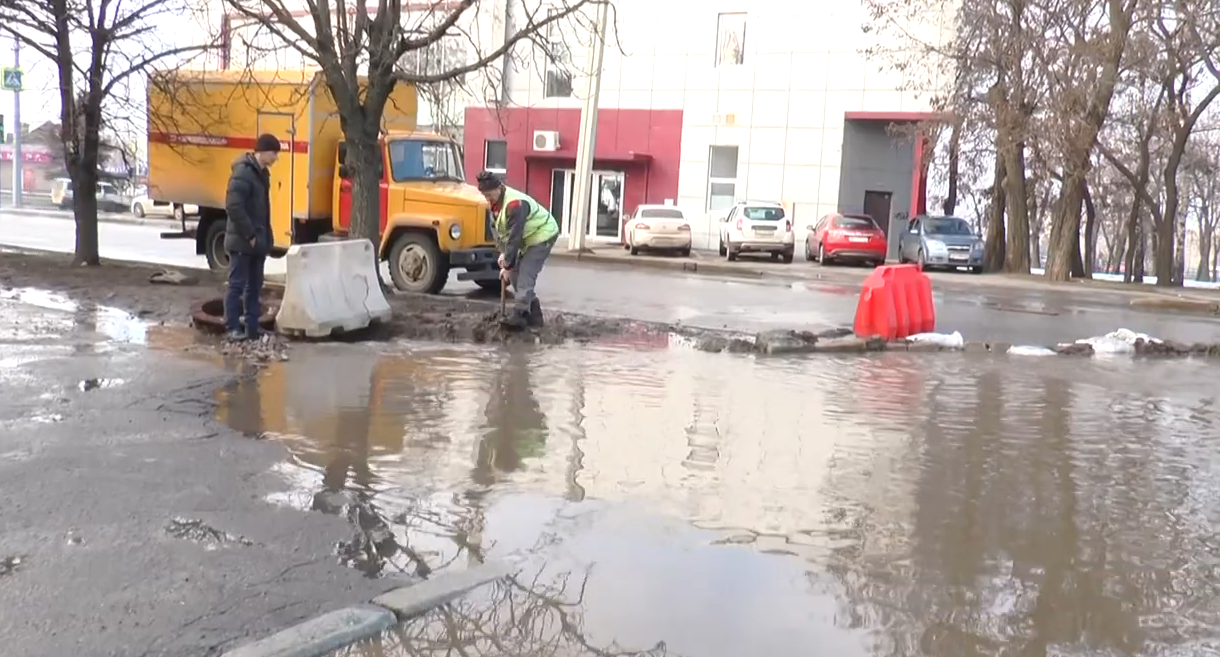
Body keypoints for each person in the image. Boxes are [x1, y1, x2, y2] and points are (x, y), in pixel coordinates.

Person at [476, 170, 559, 329]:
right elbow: (498, 233)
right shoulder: (493, 207)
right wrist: (503, 254)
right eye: (485, 196)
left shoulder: (515, 204)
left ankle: (519, 315)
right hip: (526, 239)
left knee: (525, 274)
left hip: (543, 234)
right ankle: (534, 317)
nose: (487, 199)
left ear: (499, 188)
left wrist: (507, 265)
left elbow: (514, 237)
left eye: (489, 195)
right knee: (514, 276)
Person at [223, 133, 281, 341]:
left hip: (257, 241)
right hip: (243, 241)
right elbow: (233, 206)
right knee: (237, 285)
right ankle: (231, 328)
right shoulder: (243, 172)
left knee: (255, 286)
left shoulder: (261, 173)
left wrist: (266, 238)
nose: (276, 158)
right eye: (274, 153)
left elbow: (262, 211)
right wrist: (249, 234)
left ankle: (252, 328)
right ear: (263, 152)